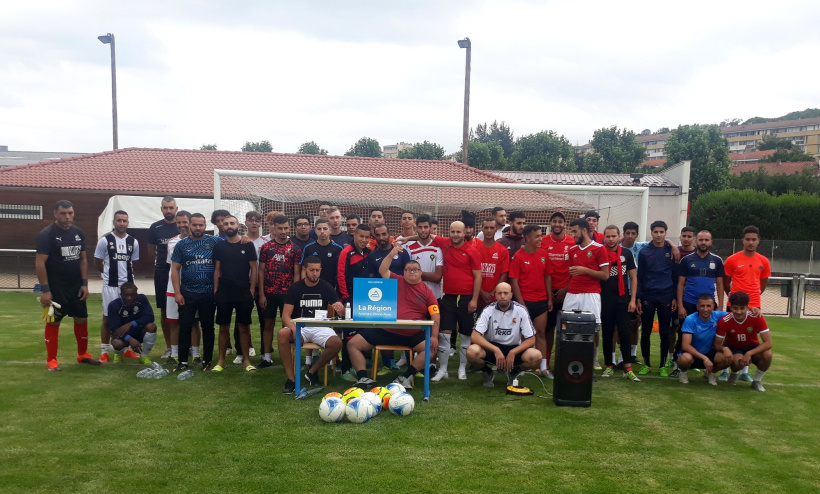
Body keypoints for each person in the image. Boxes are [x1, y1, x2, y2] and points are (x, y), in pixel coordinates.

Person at [347, 246, 441, 390]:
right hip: (386, 330)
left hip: (412, 334)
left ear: (420, 272)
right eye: (408, 270)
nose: (411, 272)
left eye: (414, 269)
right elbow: (382, 270)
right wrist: (391, 254)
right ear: (403, 272)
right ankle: (363, 378)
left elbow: (435, 314)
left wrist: (434, 336)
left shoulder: (427, 292)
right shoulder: (396, 280)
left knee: (431, 348)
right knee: (353, 344)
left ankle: (405, 377)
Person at [35, 200, 99, 371]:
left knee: (81, 319)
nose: (67, 217)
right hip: (56, 288)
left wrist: (84, 284)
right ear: (55, 214)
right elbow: (40, 263)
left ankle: (82, 354)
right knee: (54, 321)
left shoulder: (78, 232)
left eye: (70, 213)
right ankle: (51, 360)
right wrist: (45, 290)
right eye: (63, 213)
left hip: (76, 287)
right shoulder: (46, 235)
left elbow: (83, 258)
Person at [277, 256, 345, 394]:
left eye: (317, 270)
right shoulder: (295, 288)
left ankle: (313, 371)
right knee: (282, 334)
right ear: (305, 270)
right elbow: (285, 316)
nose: (315, 273)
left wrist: (340, 307)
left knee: (337, 343)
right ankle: (291, 379)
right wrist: (295, 330)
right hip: (300, 326)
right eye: (312, 270)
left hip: (320, 327)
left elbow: (341, 312)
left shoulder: (327, 287)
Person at [427, 221, 481, 381]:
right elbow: (426, 235)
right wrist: (407, 237)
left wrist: (474, 300)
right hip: (449, 297)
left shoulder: (472, 251)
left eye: (458, 232)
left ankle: (462, 369)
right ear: (448, 232)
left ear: (464, 233)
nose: (455, 235)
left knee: (465, 336)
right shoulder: (444, 243)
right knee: (444, 335)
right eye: (452, 231)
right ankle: (443, 370)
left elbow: (478, 276)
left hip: (466, 299)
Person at [467, 282, 542, 387]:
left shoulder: (521, 310)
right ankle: (487, 372)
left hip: (514, 349)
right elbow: (474, 336)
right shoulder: (488, 310)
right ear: (496, 295)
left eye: (506, 293)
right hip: (492, 348)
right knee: (471, 352)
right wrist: (496, 350)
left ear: (511, 294)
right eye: (500, 293)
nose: (503, 296)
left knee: (537, 356)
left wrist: (513, 352)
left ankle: (515, 371)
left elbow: (531, 339)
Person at [171, 213, 220, 372]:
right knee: (185, 327)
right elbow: (175, 269)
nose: (198, 228)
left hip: (208, 293)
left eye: (201, 225)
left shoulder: (214, 241)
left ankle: (207, 360)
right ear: (189, 225)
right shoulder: (182, 245)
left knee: (208, 327)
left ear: (205, 226)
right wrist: (177, 293)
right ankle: (183, 361)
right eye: (195, 225)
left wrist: (245, 239)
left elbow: (233, 242)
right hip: (187, 293)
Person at [722, 225, 771, 382]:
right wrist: (734, 298)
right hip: (735, 303)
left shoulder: (763, 261)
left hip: (754, 304)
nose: (750, 242)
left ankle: (744, 371)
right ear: (742, 240)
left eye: (753, 239)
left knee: (751, 336)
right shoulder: (732, 259)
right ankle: (725, 369)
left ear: (758, 241)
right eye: (748, 239)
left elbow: (762, 284)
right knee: (729, 335)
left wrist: (753, 299)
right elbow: (726, 282)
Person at [212, 215, 258, 372]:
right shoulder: (219, 246)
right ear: (223, 227)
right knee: (223, 327)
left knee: (243, 327)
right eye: (226, 224)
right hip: (224, 292)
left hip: (243, 292)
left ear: (238, 226)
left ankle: (246, 360)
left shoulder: (248, 245)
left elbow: (254, 269)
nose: (229, 226)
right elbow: (217, 270)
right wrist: (216, 290)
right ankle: (221, 360)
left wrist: (252, 290)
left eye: (232, 223)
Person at [675, 230, 724, 376]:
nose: (703, 243)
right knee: (682, 334)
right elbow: (680, 284)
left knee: (711, 335)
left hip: (709, 305)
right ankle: (679, 366)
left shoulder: (717, 260)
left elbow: (720, 285)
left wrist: (720, 305)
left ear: (711, 242)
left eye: (706, 240)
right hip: (689, 303)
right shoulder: (687, 260)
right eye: (701, 240)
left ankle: (708, 367)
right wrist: (681, 305)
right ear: (696, 241)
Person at [94, 210, 140, 363]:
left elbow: (133, 263)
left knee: (128, 318)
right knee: (107, 319)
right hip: (110, 286)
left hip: (128, 287)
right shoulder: (105, 240)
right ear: (114, 222)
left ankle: (125, 350)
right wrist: (109, 274)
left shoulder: (133, 241)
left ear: (128, 223)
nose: (122, 223)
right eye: (119, 220)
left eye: (124, 221)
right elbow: (97, 262)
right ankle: (104, 351)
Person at [258, 215, 302, 369]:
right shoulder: (266, 247)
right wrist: (262, 293)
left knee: (286, 327)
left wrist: (295, 294)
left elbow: (296, 273)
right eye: (280, 228)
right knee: (268, 324)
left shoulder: (295, 249)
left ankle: (288, 357)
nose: (283, 231)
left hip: (287, 295)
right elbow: (261, 271)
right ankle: (267, 357)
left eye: (286, 228)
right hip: (269, 292)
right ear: (274, 228)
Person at [509, 224, 553, 381]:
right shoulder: (518, 256)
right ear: (527, 238)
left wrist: (549, 298)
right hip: (524, 301)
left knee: (541, 333)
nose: (540, 238)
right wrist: (521, 304)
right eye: (537, 236)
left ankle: (543, 368)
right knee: (524, 336)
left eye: (541, 235)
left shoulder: (544, 254)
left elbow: (547, 276)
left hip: (541, 301)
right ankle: (521, 367)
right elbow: (514, 282)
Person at [564, 218, 610, 369]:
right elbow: (570, 274)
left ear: (584, 230)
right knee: (568, 327)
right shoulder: (572, 250)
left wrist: (585, 270)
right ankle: (569, 358)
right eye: (571, 232)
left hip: (591, 294)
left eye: (575, 231)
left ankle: (594, 359)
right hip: (573, 293)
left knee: (592, 328)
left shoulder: (599, 249)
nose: (573, 235)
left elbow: (605, 275)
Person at [636, 220, 677, 377]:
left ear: (666, 233)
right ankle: (646, 364)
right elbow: (640, 277)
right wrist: (638, 297)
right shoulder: (644, 252)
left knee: (664, 332)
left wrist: (673, 296)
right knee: (645, 331)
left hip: (666, 295)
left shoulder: (672, 251)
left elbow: (674, 275)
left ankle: (662, 365)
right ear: (651, 233)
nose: (658, 235)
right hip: (648, 295)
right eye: (656, 232)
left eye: (661, 232)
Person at [600, 225, 640, 382]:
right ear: (604, 237)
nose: (610, 239)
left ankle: (627, 367)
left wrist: (632, 299)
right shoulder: (600, 252)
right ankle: (609, 366)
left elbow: (633, 277)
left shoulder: (627, 253)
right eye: (608, 236)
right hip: (605, 299)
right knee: (608, 333)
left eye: (613, 236)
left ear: (619, 237)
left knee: (625, 332)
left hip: (623, 298)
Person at [540, 210, 575, 377]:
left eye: (560, 221)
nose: (557, 224)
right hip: (547, 293)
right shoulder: (543, 241)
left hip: (567, 292)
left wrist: (566, 288)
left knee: (566, 330)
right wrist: (548, 294)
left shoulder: (572, 242)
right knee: (547, 329)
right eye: (554, 221)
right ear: (550, 223)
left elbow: (575, 268)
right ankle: (544, 364)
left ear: (564, 224)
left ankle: (564, 365)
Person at [715, 291, 772, 391]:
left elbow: (768, 343)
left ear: (747, 307)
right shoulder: (725, 320)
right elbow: (717, 344)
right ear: (731, 307)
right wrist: (725, 349)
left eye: (742, 308)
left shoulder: (756, 317)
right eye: (735, 308)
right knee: (738, 362)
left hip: (752, 347)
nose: (739, 312)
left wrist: (749, 353)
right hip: (735, 349)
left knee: (768, 354)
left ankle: (757, 381)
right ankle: (734, 374)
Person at [163, 211, 200, 365]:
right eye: (179, 223)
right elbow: (171, 267)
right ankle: (175, 354)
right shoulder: (171, 242)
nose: (182, 225)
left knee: (194, 322)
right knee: (174, 322)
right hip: (173, 289)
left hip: (193, 288)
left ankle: (196, 354)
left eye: (185, 222)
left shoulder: (200, 241)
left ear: (190, 223)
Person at [336, 224, 372, 380]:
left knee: (362, 334)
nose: (364, 240)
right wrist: (345, 299)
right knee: (349, 335)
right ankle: (345, 370)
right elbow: (341, 277)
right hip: (349, 300)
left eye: (367, 237)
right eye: (361, 236)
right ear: (355, 236)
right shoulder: (346, 252)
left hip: (365, 300)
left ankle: (359, 366)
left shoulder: (368, 253)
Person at [148, 196, 179, 360]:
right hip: (162, 271)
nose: (169, 210)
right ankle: (169, 347)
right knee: (165, 310)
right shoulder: (155, 227)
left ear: (176, 208)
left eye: (171, 207)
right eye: (165, 208)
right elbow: (150, 250)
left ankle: (185, 345)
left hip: (181, 271)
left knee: (185, 308)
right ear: (161, 209)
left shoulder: (182, 225)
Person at [676, 294, 732, 385]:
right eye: (702, 306)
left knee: (727, 358)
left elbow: (737, 314)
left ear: (713, 306)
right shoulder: (690, 319)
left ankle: (711, 373)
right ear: (697, 306)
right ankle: (683, 373)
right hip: (693, 354)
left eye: (708, 306)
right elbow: (685, 346)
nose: (705, 309)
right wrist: (705, 359)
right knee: (684, 359)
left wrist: (753, 310)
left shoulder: (718, 316)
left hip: (710, 353)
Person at [106, 282, 157, 365]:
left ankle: (144, 356)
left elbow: (150, 317)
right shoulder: (114, 305)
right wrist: (129, 339)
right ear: (121, 294)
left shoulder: (142, 299)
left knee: (152, 326)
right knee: (117, 344)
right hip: (122, 335)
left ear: (136, 293)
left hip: (139, 331)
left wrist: (131, 324)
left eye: (132, 295)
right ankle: (118, 354)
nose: (129, 298)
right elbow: (114, 328)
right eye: (126, 295)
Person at [403, 213, 444, 301]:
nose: (423, 230)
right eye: (420, 227)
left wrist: (416, 273)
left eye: (426, 227)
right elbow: (408, 276)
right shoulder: (410, 249)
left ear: (430, 228)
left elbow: (437, 277)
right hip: (415, 296)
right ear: (416, 228)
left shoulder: (437, 248)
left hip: (434, 296)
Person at [476, 217, 510, 310]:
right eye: (486, 228)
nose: (489, 231)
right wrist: (481, 292)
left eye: (492, 228)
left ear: (496, 229)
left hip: (495, 297)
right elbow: (471, 274)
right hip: (477, 297)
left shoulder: (503, 251)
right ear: (481, 229)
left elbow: (504, 274)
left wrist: (493, 292)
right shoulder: (475, 249)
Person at [301, 219, 344, 288]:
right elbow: (303, 269)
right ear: (315, 231)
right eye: (319, 229)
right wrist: (304, 286)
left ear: (330, 230)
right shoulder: (308, 248)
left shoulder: (338, 249)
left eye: (325, 229)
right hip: (312, 286)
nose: (322, 231)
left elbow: (341, 271)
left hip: (331, 287)